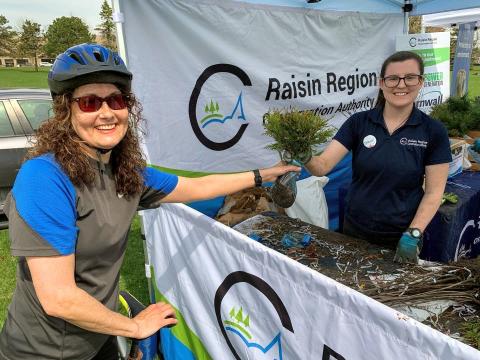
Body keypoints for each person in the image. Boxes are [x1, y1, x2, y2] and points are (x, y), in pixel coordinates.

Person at [0, 43, 299, 360]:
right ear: (66, 112)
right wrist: (136, 328)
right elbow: (58, 297)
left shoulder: (124, 172)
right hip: (43, 352)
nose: (106, 112)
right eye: (89, 102)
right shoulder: (44, 178)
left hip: (99, 337)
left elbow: (198, 187)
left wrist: (262, 174)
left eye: (115, 100)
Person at [303, 51, 451, 263]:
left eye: (409, 77)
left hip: (400, 236)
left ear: (420, 82)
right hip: (355, 229)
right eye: (392, 78)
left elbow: (434, 193)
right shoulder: (359, 123)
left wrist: (413, 233)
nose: (401, 85)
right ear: (381, 83)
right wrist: (304, 154)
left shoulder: (433, 131)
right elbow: (322, 166)